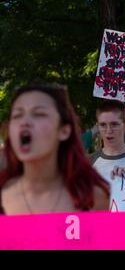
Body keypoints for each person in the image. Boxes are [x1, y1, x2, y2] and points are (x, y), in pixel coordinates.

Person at [0, 84, 110, 215]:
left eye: (39, 114)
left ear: (64, 131)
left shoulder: (93, 197)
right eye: (17, 115)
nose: (25, 122)